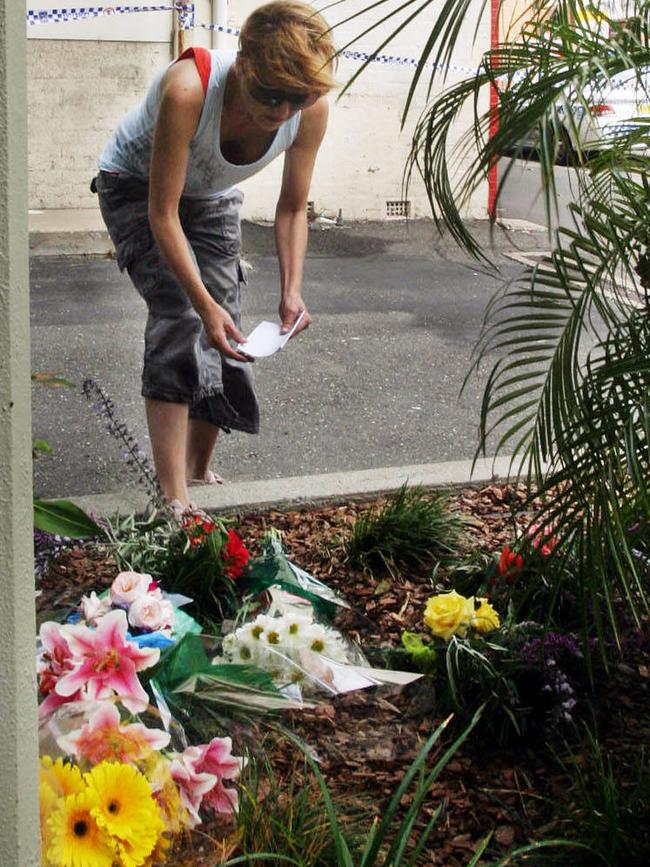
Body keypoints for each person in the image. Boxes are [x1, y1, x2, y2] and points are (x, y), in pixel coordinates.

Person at [92, 1, 336, 516]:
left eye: (300, 97)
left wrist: (292, 290)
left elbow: (293, 208)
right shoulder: (190, 90)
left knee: (228, 318)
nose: (284, 112)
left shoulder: (307, 111)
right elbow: (163, 213)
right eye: (271, 95)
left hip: (211, 195)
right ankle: (174, 497)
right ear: (244, 64)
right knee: (183, 313)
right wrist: (201, 302)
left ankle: (198, 470)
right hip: (137, 187)